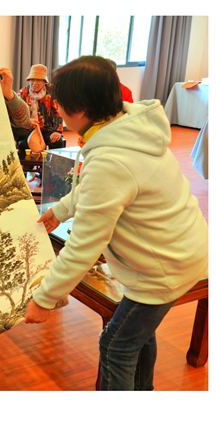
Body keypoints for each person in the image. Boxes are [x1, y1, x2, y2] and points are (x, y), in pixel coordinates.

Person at [24, 56, 208, 391]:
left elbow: (85, 244)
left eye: (61, 103)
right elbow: (101, 189)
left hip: (163, 268)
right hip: (183, 249)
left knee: (116, 346)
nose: (58, 109)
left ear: (80, 109)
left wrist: (44, 298)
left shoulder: (110, 159)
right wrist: (61, 210)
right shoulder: (128, 129)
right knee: (137, 336)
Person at [17, 64, 64, 151]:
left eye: (38, 80)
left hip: (47, 129)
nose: (34, 83)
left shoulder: (52, 92)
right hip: (29, 129)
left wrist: (57, 131)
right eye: (32, 79)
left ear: (44, 81)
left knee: (57, 142)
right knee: (22, 144)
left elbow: (58, 113)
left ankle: (49, 160)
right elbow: (17, 113)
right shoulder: (23, 93)